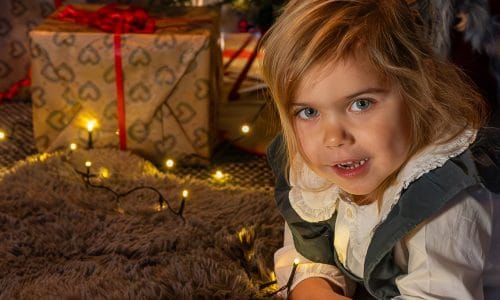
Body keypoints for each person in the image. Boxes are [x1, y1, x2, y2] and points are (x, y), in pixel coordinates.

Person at [261, 0, 500, 299]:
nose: (333, 138)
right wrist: (315, 287)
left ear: (418, 89)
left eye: (360, 104)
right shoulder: (323, 169)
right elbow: (306, 255)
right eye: (309, 112)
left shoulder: (445, 201)